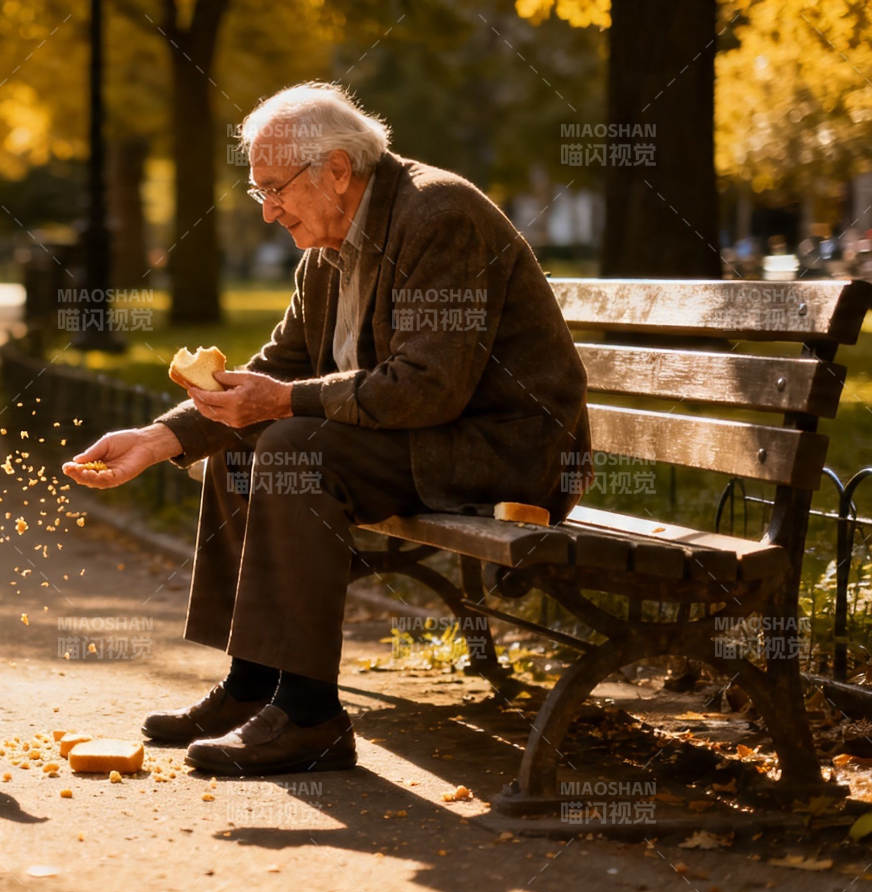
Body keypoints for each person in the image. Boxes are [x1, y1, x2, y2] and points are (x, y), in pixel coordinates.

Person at [61, 82, 593, 776]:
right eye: (260, 193)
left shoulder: (439, 216)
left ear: (337, 171)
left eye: (274, 189)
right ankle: (253, 687)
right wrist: (161, 438)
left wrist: (283, 405)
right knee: (245, 453)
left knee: (290, 445)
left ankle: (311, 716)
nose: (268, 212)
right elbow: (277, 366)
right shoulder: (328, 248)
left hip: (510, 450)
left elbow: (431, 386)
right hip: (426, 438)